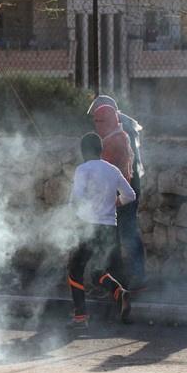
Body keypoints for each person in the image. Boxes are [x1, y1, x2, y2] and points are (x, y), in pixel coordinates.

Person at [66, 133, 136, 330]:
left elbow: (76, 200)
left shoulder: (83, 169)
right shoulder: (112, 170)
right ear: (101, 150)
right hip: (110, 229)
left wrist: (75, 216)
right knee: (97, 271)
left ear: (83, 151)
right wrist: (115, 202)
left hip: (90, 227)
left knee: (75, 269)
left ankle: (80, 317)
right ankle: (119, 292)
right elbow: (130, 195)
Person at [88, 95, 146, 288]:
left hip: (124, 186)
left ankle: (132, 279)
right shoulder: (122, 125)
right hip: (127, 185)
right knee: (123, 232)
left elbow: (119, 162)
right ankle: (123, 279)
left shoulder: (120, 129)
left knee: (125, 232)